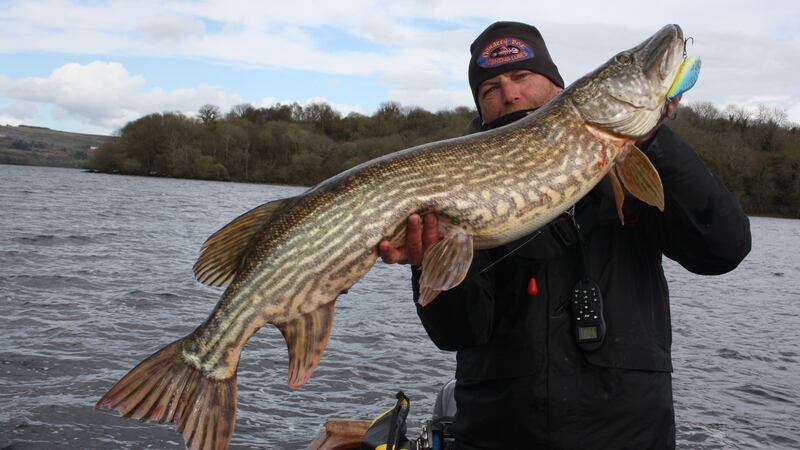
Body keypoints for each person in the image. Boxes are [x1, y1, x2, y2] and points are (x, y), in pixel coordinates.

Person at [378, 21, 752, 449]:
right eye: (489, 89)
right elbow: (458, 333)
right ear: (481, 112)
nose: (509, 93)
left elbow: (724, 248)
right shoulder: (455, 190)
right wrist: (428, 259)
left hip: (627, 435)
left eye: (521, 76)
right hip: (499, 434)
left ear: (559, 89)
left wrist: (652, 140)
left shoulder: (636, 165)